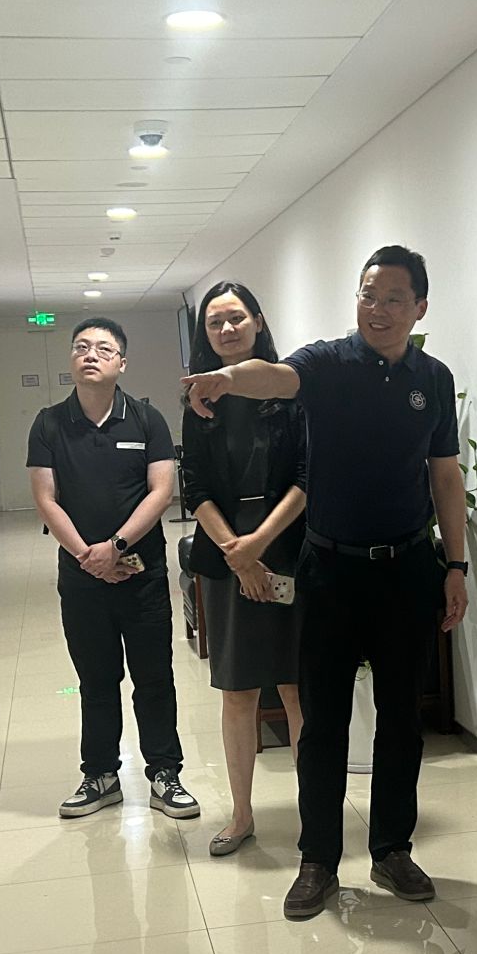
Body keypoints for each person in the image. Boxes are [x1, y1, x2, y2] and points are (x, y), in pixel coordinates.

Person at [184, 245, 467, 922]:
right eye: (368, 294)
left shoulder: (434, 377)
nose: (377, 309)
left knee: (401, 719)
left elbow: (445, 474)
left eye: (393, 298)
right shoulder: (328, 362)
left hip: (406, 568)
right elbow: (275, 376)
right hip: (330, 570)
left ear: (420, 307)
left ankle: (392, 849)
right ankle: (318, 860)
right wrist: (226, 378)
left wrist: (456, 565)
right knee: (322, 721)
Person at [27, 316, 199, 823]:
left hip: (142, 574)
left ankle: (165, 774)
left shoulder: (146, 420)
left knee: (154, 677)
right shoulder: (49, 423)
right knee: (96, 680)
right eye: (81, 347)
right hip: (81, 578)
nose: (91, 355)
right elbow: (46, 498)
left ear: (121, 362)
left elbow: (161, 491)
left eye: (103, 349)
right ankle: (100, 775)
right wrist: (91, 556)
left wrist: (116, 546)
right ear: (71, 359)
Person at [181, 282, 309, 857]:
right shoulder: (199, 403)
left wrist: (260, 544)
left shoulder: (290, 390)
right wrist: (239, 552)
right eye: (215, 323)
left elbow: (307, 477)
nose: (227, 329)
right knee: (238, 692)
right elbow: (196, 488)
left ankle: (314, 812)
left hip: (289, 550)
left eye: (236, 318)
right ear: (205, 335)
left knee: (297, 688)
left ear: (257, 320)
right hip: (227, 558)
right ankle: (241, 815)